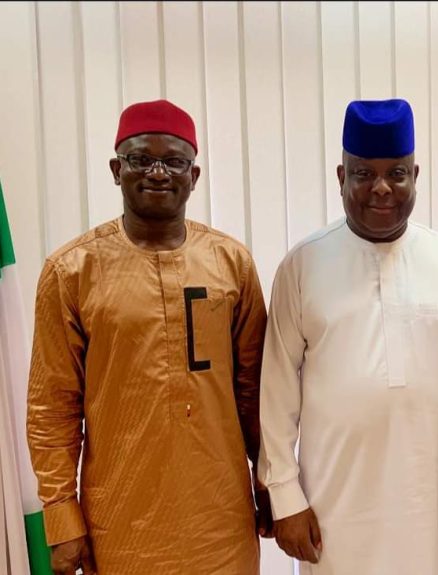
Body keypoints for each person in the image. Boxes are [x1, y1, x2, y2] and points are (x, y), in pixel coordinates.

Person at [27, 99, 271, 575]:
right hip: (120, 521)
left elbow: (256, 394)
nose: (158, 173)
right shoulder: (72, 271)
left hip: (220, 517)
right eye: (141, 159)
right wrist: (61, 516)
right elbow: (51, 407)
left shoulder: (231, 264)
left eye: (174, 161)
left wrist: (271, 483)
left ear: (193, 176)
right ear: (117, 170)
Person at [258, 98, 438, 574]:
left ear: (416, 174)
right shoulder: (303, 265)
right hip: (334, 504)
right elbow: (277, 391)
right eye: (364, 173)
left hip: (430, 498)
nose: (382, 188)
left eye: (397, 173)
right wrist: (284, 496)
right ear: (340, 176)